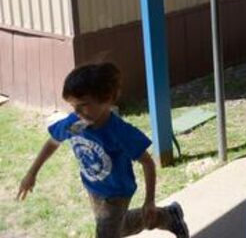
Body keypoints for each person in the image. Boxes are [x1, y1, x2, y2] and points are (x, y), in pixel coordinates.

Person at [17, 62, 189, 238]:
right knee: (117, 228)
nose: (76, 112)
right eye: (73, 106)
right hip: (93, 188)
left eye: (82, 105)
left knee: (107, 233)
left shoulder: (119, 132)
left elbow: (147, 162)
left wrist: (149, 200)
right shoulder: (76, 123)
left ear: (107, 99)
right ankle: (168, 216)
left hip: (116, 193)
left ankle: (164, 216)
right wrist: (32, 173)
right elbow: (53, 143)